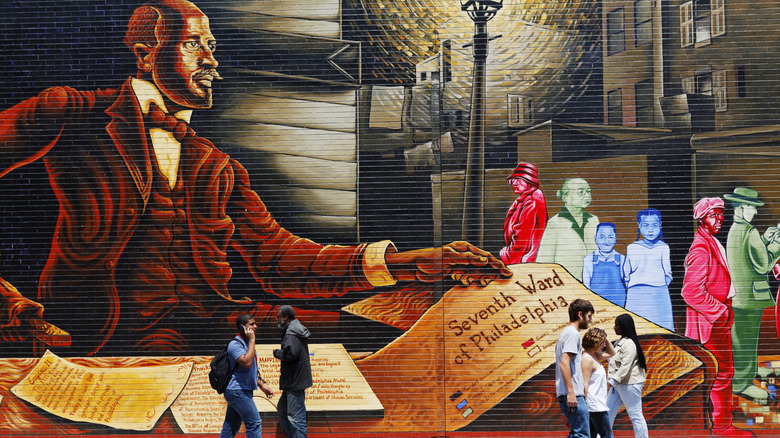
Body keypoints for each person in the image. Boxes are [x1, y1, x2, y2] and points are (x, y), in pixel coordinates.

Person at [0, 0, 512, 355]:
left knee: (385, 331)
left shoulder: (217, 165)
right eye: (194, 45)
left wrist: (405, 263)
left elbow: (279, 259)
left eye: (213, 46)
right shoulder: (71, 113)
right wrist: (10, 303)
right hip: (107, 336)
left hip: (222, 323)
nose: (211, 61)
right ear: (145, 52)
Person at [682, 197, 754, 438]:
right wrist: (720, 311)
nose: (719, 219)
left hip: (718, 317)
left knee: (720, 372)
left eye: (721, 214)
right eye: (713, 214)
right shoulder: (701, 247)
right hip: (711, 322)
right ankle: (722, 428)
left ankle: (719, 425)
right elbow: (690, 291)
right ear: (701, 218)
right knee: (722, 372)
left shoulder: (711, 241)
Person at [724, 187, 780, 405]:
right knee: (745, 339)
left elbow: (753, 253)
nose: (755, 213)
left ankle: (750, 369)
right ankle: (742, 383)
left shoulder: (737, 230)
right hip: (749, 297)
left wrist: (767, 238)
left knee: (745, 339)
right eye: (752, 209)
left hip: (741, 295)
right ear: (741, 208)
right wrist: (777, 243)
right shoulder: (749, 232)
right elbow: (764, 263)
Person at [220, 313, 275, 438]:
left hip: (242, 390)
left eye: (255, 323)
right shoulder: (235, 344)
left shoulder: (247, 344)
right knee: (254, 423)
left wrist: (262, 386)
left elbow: (252, 370)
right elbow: (247, 363)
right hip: (237, 391)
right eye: (252, 324)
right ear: (242, 327)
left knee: (230, 427)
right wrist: (252, 339)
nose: (255, 326)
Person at [537, 178, 599, 281]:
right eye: (580, 192)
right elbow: (544, 261)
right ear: (565, 197)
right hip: (566, 284)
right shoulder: (555, 223)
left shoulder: (594, 220)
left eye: (588, 191)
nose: (587, 195)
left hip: (592, 283)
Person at [623, 208, 674, 331]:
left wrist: (660, 286)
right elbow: (626, 273)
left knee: (662, 329)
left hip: (659, 294)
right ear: (639, 225)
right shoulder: (632, 247)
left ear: (660, 225)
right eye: (646, 225)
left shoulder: (663, 247)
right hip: (637, 293)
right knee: (637, 328)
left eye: (654, 225)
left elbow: (668, 273)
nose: (650, 229)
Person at [556, 298, 594, 438]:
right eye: (589, 316)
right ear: (580, 314)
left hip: (570, 393)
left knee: (577, 433)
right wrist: (571, 393)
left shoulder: (565, 333)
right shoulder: (573, 334)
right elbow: (564, 363)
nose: (590, 320)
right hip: (573, 394)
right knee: (582, 434)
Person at [273, 305, 312, 438]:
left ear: (285, 317)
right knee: (283, 410)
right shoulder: (293, 330)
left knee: (296, 417)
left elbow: (290, 354)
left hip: (294, 381)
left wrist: (277, 353)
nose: (276, 319)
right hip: (293, 380)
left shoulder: (291, 334)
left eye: (278, 316)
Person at [606, 314, 648, 438]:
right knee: (607, 414)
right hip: (619, 385)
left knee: (635, 416)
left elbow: (625, 367)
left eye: (617, 325)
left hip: (629, 385)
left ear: (624, 326)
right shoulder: (620, 342)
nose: (614, 327)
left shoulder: (629, 344)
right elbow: (613, 360)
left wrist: (610, 382)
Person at [499, 162, 548, 264]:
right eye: (513, 179)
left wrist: (507, 254)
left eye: (519, 179)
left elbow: (522, 237)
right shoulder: (527, 199)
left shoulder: (532, 201)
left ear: (530, 180)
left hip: (524, 261)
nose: (514, 183)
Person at [582, 327, 616, 438]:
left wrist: (605, 337)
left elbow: (612, 352)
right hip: (594, 406)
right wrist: (583, 407)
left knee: (591, 435)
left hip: (597, 404)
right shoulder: (587, 359)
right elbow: (584, 384)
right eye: (601, 342)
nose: (603, 345)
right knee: (607, 435)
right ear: (595, 343)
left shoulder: (595, 356)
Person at [582, 222, 626, 307]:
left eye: (610, 237)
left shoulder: (622, 259)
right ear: (595, 239)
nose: (606, 241)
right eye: (602, 237)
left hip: (619, 305)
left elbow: (627, 283)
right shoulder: (588, 259)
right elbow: (586, 286)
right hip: (596, 306)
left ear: (615, 239)